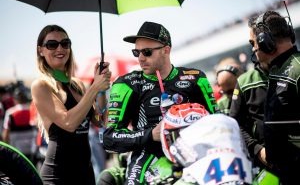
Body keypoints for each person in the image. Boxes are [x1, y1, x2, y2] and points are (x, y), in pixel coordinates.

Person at [102, 21, 218, 184]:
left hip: (194, 153)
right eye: (137, 52)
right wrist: (151, 134)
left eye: (147, 52)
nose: (141, 58)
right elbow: (110, 138)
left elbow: (219, 123)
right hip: (148, 155)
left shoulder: (195, 78)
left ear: (166, 50)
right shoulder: (126, 84)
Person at [31, 25, 111, 185]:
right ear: (41, 50)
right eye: (52, 44)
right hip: (58, 176)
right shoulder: (41, 86)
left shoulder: (78, 85)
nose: (60, 48)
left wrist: (101, 89)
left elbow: (101, 121)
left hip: (85, 174)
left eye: (65, 43)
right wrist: (94, 88)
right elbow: (68, 123)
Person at [247, 10, 299, 184]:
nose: (253, 49)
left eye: (253, 43)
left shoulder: (296, 70)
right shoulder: (279, 70)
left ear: (265, 42)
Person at [229, 46, 276, 181]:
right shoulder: (245, 81)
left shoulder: (293, 69)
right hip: (265, 164)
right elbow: (235, 125)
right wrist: (258, 150)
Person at [2, 86, 36, 162]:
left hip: (16, 150)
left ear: (15, 99)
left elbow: (6, 133)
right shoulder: (32, 111)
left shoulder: (10, 112)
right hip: (31, 149)